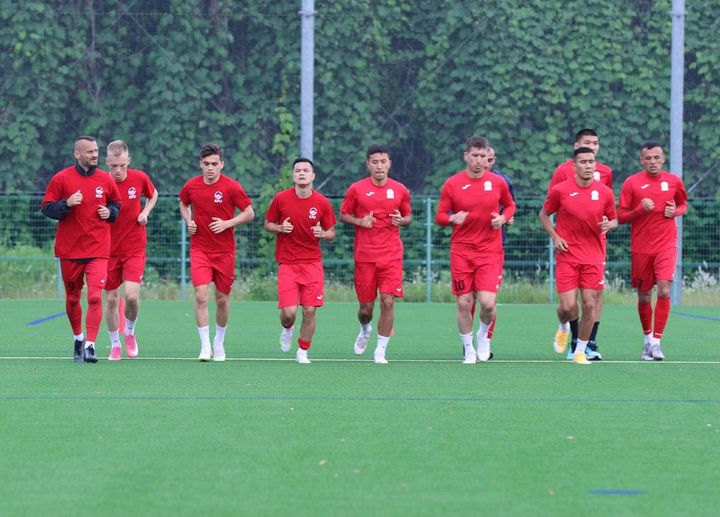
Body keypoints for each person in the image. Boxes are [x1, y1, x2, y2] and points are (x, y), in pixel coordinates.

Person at [41, 136, 122, 363]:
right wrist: (66, 204)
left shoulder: (106, 179)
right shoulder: (61, 178)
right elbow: (46, 208)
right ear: (77, 154)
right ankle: (78, 338)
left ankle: (90, 346)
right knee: (73, 299)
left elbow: (116, 204)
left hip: (98, 249)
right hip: (70, 251)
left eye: (96, 151)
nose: (95, 155)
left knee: (95, 297)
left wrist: (111, 213)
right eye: (90, 152)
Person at [435, 136, 516, 364]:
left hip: (490, 251)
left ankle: (483, 336)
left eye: (483, 156)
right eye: (475, 156)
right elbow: (440, 216)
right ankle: (469, 349)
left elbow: (511, 205)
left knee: (488, 303)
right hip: (461, 251)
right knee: (464, 302)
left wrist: (503, 218)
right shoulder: (452, 184)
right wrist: (452, 218)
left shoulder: (498, 182)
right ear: (466, 156)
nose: (479, 160)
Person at [539, 147, 618, 365]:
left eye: (591, 162)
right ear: (574, 166)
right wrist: (555, 236)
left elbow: (614, 219)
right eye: (583, 162)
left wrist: (609, 225)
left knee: (590, 305)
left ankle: (580, 351)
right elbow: (544, 214)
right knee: (567, 306)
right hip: (567, 255)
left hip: (593, 256)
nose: (588, 166)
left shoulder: (605, 192)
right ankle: (564, 327)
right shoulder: (561, 190)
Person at [179, 143, 254, 362]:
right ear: (200, 164)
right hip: (200, 250)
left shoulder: (232, 187)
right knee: (201, 296)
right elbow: (183, 204)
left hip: (224, 252)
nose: (210, 168)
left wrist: (227, 223)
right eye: (206, 164)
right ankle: (205, 347)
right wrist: (189, 221)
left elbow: (249, 213)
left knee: (221, 299)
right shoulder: (191, 185)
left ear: (222, 164)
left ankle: (218, 343)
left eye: (214, 164)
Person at [340, 144, 412, 364]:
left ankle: (380, 351)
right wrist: (360, 221)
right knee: (366, 309)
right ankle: (365, 329)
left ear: (389, 164)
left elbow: (408, 216)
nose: (379, 166)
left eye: (383, 162)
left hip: (391, 256)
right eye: (375, 162)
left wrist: (402, 220)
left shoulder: (400, 189)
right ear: (368, 165)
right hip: (365, 257)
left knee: (388, 301)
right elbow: (344, 215)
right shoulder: (356, 189)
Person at [618, 142, 688, 361]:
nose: (653, 162)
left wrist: (675, 211)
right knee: (644, 295)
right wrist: (640, 210)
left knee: (665, 290)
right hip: (641, 248)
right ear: (642, 160)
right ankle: (647, 340)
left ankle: (657, 343)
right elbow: (620, 216)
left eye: (657, 157)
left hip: (666, 244)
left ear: (663, 158)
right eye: (648, 158)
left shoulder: (674, 181)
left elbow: (683, 205)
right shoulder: (632, 183)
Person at [263, 158, 336, 364]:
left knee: (309, 310)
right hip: (288, 264)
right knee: (288, 314)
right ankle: (287, 328)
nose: (301, 173)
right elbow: (268, 224)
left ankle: (303, 351)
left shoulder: (322, 202)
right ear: (293, 175)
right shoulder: (281, 199)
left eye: (305, 170)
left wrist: (323, 233)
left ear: (313, 176)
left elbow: (331, 232)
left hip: (312, 264)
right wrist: (280, 228)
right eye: (297, 170)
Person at [103, 140, 159, 360]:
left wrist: (145, 212)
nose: (118, 170)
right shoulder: (101, 183)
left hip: (134, 248)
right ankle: (115, 344)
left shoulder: (139, 178)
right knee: (111, 300)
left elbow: (153, 194)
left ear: (129, 161)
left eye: (122, 165)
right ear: (107, 162)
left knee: (132, 297)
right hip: (107, 250)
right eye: (113, 166)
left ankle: (129, 332)